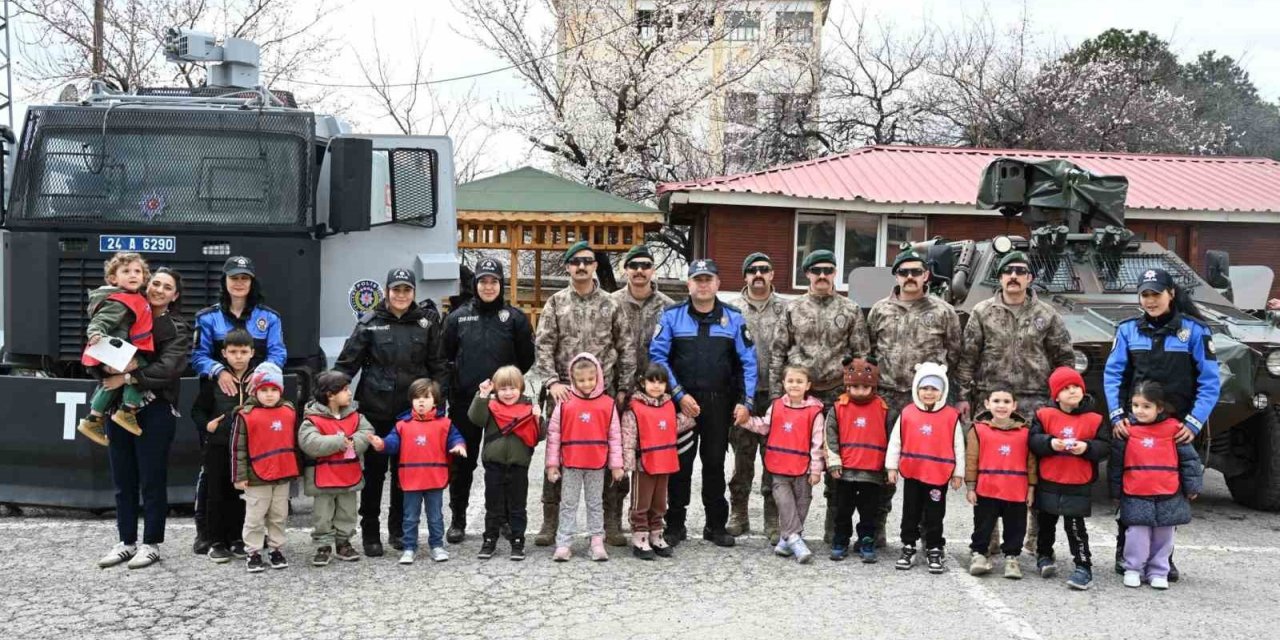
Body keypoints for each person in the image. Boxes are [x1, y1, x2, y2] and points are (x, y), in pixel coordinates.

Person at [1103, 267, 1219, 581]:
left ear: (1171, 294)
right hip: (1135, 426)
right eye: (1145, 294)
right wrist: (1116, 416)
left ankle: (1163, 560)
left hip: (1176, 428)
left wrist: (1193, 423)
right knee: (1133, 489)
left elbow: (1210, 381)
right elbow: (1113, 376)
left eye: (1156, 294)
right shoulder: (1128, 330)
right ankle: (1126, 552)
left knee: (1170, 495)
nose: (1150, 300)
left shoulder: (1194, 332)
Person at [334, 267, 447, 557]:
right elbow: (348, 363)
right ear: (386, 292)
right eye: (395, 289)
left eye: (406, 290)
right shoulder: (370, 323)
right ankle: (371, 532)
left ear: (413, 293)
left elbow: (437, 367)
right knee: (373, 475)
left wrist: (439, 404)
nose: (401, 295)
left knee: (404, 474)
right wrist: (330, 394)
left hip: (412, 414)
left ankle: (399, 530)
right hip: (375, 411)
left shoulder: (426, 323)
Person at [532, 241, 636, 547]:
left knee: (609, 455)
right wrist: (552, 383)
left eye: (587, 261)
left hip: (604, 396)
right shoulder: (555, 302)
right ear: (567, 266)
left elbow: (626, 347)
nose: (581, 266)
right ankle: (551, 522)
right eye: (575, 261)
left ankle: (611, 522)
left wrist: (624, 389)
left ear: (594, 266)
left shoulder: (611, 304)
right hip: (565, 394)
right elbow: (544, 345)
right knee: (559, 455)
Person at [649, 258, 756, 548]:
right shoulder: (672, 316)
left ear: (718, 283)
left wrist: (746, 401)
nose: (703, 284)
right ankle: (675, 525)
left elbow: (748, 362)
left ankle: (715, 525)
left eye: (709, 279)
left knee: (714, 464)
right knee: (679, 466)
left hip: (719, 405)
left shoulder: (733, 318)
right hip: (681, 404)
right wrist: (679, 395)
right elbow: (658, 358)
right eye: (698, 279)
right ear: (689, 284)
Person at [865, 249, 963, 548]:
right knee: (884, 467)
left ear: (926, 276)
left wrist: (954, 397)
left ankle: (926, 530)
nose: (910, 277)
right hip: (888, 398)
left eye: (916, 272)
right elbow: (869, 353)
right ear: (896, 276)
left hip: (930, 404)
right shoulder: (879, 310)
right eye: (904, 272)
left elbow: (957, 356)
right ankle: (878, 525)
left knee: (927, 468)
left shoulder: (944, 312)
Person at [771, 249, 869, 543]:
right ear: (808, 274)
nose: (823, 275)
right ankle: (785, 525)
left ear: (835, 273)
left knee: (837, 462)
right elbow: (778, 351)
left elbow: (861, 355)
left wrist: (856, 398)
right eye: (817, 271)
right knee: (790, 462)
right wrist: (779, 398)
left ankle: (833, 526)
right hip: (801, 397)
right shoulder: (792, 309)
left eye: (828, 270)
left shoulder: (850, 309)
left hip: (839, 395)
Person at [190, 255, 286, 555]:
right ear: (225, 281)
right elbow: (197, 356)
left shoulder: (269, 317)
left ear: (252, 281)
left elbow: (278, 354)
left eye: (245, 277)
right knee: (213, 476)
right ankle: (207, 534)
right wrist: (218, 371)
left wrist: (259, 378)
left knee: (245, 475)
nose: (240, 282)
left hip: (255, 403)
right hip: (219, 400)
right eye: (234, 277)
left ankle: (239, 536)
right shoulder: (208, 318)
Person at [96, 268, 190, 570]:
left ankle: (151, 544)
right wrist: (104, 369)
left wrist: (126, 377)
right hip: (116, 409)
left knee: (152, 479)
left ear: (175, 296)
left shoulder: (177, 327)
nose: (159, 289)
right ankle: (126, 541)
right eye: (156, 284)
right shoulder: (124, 313)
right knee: (123, 479)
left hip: (156, 409)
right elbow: (96, 354)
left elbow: (168, 370)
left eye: (167, 287)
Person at [441, 258, 535, 545]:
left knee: (503, 462)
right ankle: (458, 519)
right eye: (483, 281)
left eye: (494, 281)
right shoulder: (457, 317)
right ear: (475, 284)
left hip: (504, 406)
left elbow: (526, 359)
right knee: (462, 463)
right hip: (465, 403)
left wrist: (506, 387)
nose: (488, 286)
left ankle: (504, 518)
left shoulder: (515, 318)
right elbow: (444, 355)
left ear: (501, 284)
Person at [1109, 381, 1203, 590]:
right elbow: (1116, 465)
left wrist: (1192, 486)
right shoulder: (1126, 430)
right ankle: (1133, 568)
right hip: (1135, 492)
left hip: (1168, 492)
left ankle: (1159, 570)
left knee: (1165, 535)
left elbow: (1189, 460)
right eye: (1135, 405)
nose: (1139, 411)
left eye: (1146, 406)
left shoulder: (1174, 429)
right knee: (1136, 534)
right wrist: (1115, 491)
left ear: (1159, 408)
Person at [1029, 367, 1110, 590]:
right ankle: (1044, 555)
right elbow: (1033, 440)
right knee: (1046, 523)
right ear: (1056, 395)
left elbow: (1105, 447)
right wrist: (1050, 443)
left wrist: (1087, 447)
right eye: (1065, 388)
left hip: (1078, 482)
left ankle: (1084, 566)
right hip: (1050, 480)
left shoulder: (1094, 419)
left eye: (1075, 386)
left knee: (1075, 527)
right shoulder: (1044, 415)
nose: (1072, 391)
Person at [726, 252, 787, 543]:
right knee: (742, 458)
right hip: (743, 397)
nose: (758, 274)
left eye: (764, 269)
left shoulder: (787, 310)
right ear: (745, 276)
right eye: (752, 270)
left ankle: (772, 517)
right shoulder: (731, 310)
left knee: (774, 458)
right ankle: (738, 512)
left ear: (773, 274)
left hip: (777, 395)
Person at [737, 365, 825, 564]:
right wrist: (745, 421)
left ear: (808, 385)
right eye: (791, 381)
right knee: (785, 504)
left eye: (799, 381)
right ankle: (795, 540)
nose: (795, 385)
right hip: (779, 467)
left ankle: (786, 543)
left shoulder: (815, 412)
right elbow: (764, 426)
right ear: (783, 383)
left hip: (803, 468)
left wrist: (816, 469)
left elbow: (817, 443)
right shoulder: (775, 406)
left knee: (802, 504)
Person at [884, 362, 964, 574]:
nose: (929, 393)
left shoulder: (951, 416)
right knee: (910, 511)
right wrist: (891, 467)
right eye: (924, 387)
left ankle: (934, 547)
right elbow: (896, 442)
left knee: (935, 513)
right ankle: (908, 545)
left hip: (938, 475)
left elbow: (958, 446)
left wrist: (958, 473)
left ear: (943, 391)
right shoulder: (908, 413)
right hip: (913, 473)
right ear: (916, 389)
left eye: (934, 388)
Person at [546, 353, 624, 562]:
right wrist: (552, 464)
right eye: (581, 380)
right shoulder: (565, 402)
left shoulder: (607, 404)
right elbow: (554, 435)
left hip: (596, 464)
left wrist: (616, 465)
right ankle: (564, 543)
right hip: (571, 463)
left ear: (598, 377)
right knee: (568, 503)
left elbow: (615, 436)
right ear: (572, 379)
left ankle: (596, 541)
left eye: (591, 379)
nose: (586, 384)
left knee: (595, 503)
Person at [298, 370, 380, 567]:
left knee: (347, 512)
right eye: (344, 390)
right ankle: (323, 545)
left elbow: (367, 432)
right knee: (323, 514)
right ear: (330, 394)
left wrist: (353, 441)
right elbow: (309, 442)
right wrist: (338, 442)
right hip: (323, 477)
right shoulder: (312, 419)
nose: (349, 394)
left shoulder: (355, 416)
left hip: (348, 475)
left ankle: (343, 542)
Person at [382, 379, 467, 565]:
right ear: (411, 401)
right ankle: (409, 547)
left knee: (435, 516)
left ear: (435, 401)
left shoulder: (445, 423)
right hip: (411, 479)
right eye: (416, 398)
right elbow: (392, 444)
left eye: (426, 397)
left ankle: (437, 546)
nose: (421, 401)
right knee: (410, 517)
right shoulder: (402, 425)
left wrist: (459, 445)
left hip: (434, 478)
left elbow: (456, 437)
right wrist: (382, 444)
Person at [77, 252, 155, 445]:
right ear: (113, 278)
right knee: (141, 367)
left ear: (144, 277)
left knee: (112, 383)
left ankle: (93, 418)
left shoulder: (133, 297)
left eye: (138, 271)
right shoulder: (120, 301)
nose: (133, 275)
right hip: (114, 349)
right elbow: (100, 321)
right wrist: (95, 333)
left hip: (116, 350)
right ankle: (127, 410)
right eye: (126, 271)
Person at [192, 329, 256, 563]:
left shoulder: (258, 379)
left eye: (243, 351)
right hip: (218, 445)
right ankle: (216, 541)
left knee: (241, 493)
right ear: (224, 353)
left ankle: (238, 538)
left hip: (247, 448)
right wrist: (207, 426)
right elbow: (197, 410)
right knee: (216, 493)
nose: (238, 357)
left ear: (252, 353)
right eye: (233, 352)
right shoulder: (213, 380)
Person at [231, 363, 300, 573]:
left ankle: (275, 549)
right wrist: (239, 476)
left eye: (273, 390)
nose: (269, 395)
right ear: (255, 391)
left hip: (282, 474)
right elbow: (237, 449)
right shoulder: (245, 415)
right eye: (263, 390)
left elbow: (294, 443)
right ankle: (253, 551)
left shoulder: (288, 411)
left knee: (279, 515)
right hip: (255, 476)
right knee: (255, 516)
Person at [622, 363, 696, 560]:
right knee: (641, 502)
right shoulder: (634, 408)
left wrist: (692, 416)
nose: (656, 386)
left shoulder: (668, 404)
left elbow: (673, 426)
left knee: (659, 502)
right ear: (642, 382)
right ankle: (640, 535)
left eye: (661, 382)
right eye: (652, 382)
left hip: (664, 462)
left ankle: (656, 533)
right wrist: (627, 464)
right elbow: (628, 437)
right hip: (644, 464)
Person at [469, 365, 541, 561]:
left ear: (521, 388)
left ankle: (518, 540)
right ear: (495, 390)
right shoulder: (490, 407)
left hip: (519, 466)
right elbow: (475, 418)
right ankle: (490, 539)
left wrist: (538, 417)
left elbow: (539, 435)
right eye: (503, 389)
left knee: (518, 506)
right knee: (493, 505)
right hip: (494, 465)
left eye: (512, 388)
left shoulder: (527, 407)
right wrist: (482, 396)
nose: (508, 393)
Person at [965, 389, 1037, 580]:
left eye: (1006, 401)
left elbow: (1031, 462)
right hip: (987, 488)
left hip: (1016, 489)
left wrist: (1031, 488)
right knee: (983, 525)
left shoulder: (1025, 432)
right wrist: (970, 487)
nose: (1001, 405)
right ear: (987, 404)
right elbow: (971, 459)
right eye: (996, 401)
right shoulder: (978, 429)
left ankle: (1012, 558)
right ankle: (978, 554)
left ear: (1014, 406)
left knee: (1016, 526)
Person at [826, 357, 890, 563]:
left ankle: (867, 541)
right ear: (847, 386)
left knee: (869, 512)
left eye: (865, 387)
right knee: (842, 510)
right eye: (855, 386)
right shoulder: (838, 408)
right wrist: (834, 462)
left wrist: (889, 467)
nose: (860, 391)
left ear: (873, 386)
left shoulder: (884, 409)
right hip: (845, 472)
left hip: (872, 473)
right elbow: (830, 437)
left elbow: (893, 440)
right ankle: (840, 541)